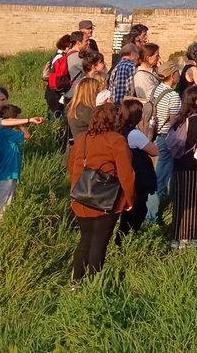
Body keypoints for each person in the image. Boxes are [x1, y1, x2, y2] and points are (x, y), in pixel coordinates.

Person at [68, 102, 136, 279]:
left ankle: (76, 281)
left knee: (85, 240)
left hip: (81, 197)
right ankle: (93, 284)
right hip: (106, 200)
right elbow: (126, 174)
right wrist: (129, 199)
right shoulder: (116, 140)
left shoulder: (82, 138)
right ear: (114, 120)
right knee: (99, 242)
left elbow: (71, 166)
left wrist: (76, 188)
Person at [170, 85, 197, 248]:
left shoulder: (181, 118)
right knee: (195, 200)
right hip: (195, 165)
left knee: (181, 200)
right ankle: (191, 236)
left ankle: (177, 237)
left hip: (179, 164)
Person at [145, 58, 183, 227]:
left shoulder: (156, 90)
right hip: (166, 137)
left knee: (157, 175)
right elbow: (174, 120)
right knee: (160, 179)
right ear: (173, 75)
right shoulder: (173, 96)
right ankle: (151, 217)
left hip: (155, 135)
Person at [116, 98, 158, 237]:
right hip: (138, 176)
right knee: (139, 209)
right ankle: (128, 236)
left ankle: (123, 236)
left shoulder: (118, 130)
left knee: (127, 210)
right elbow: (154, 151)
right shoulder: (134, 134)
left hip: (124, 174)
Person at [0, 103, 30, 221]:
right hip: (7, 173)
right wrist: (21, 124)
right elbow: (27, 135)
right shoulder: (6, 132)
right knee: (3, 205)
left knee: (6, 203)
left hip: (9, 172)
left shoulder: (3, 132)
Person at [66, 76, 102, 151]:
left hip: (81, 146)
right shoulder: (86, 110)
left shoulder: (75, 107)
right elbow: (102, 128)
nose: (99, 91)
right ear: (90, 91)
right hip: (88, 148)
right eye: (97, 89)